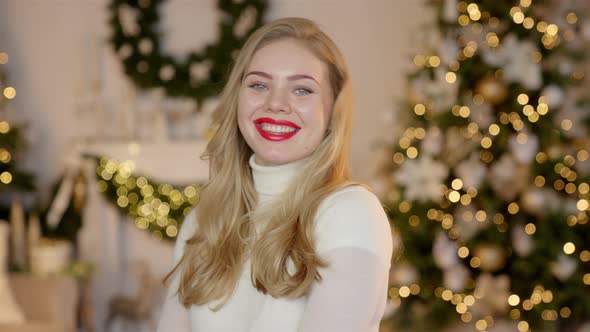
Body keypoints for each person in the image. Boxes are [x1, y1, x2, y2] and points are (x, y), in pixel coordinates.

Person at [156, 17, 393, 332]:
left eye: (302, 89)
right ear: (237, 98)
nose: (276, 104)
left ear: (331, 111)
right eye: (259, 84)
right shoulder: (204, 221)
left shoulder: (350, 212)